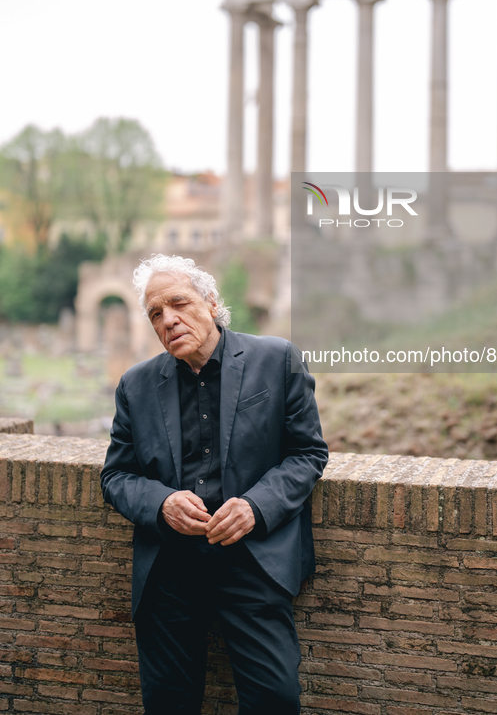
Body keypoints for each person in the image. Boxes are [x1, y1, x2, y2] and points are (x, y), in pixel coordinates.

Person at [100, 254, 328, 715]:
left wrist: (255, 506)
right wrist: (161, 502)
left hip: (253, 561)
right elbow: (116, 476)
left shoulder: (277, 358)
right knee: (169, 705)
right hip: (169, 567)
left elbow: (308, 454)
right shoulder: (135, 385)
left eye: (178, 303)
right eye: (156, 314)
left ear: (211, 301)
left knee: (275, 701)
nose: (169, 320)